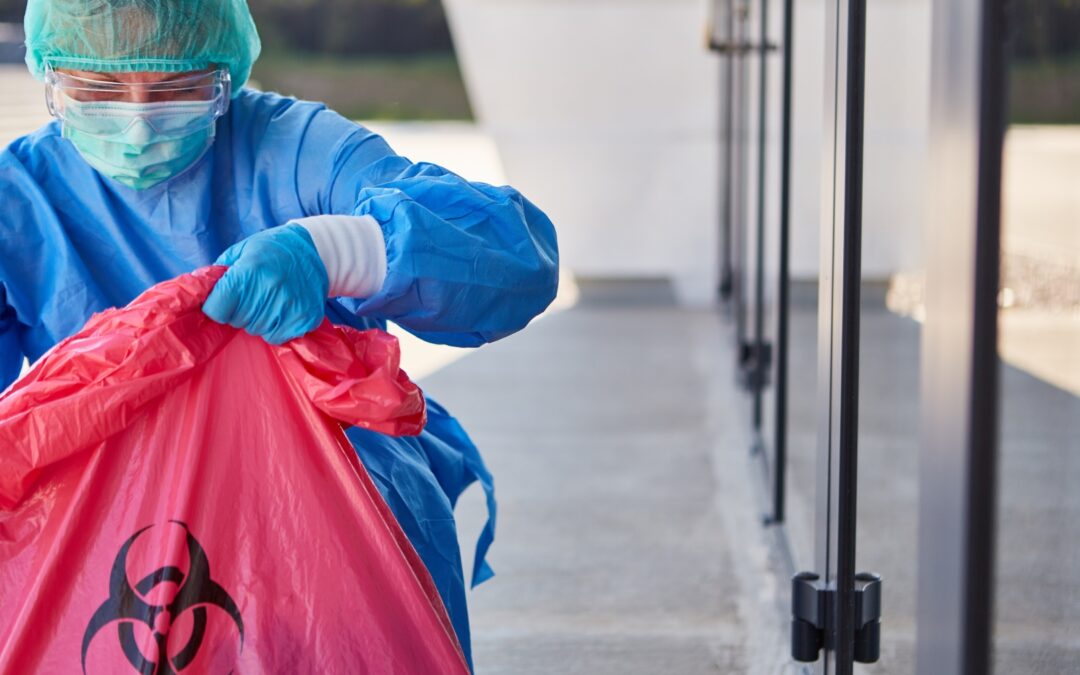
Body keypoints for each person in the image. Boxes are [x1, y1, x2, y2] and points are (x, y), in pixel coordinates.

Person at [0, 0, 559, 668]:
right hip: (102, 494)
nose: (138, 121)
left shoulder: (294, 151)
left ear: (226, 75)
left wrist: (334, 250)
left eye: (177, 87)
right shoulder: (19, 200)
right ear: (49, 76)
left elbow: (512, 258)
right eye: (98, 89)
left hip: (322, 481)